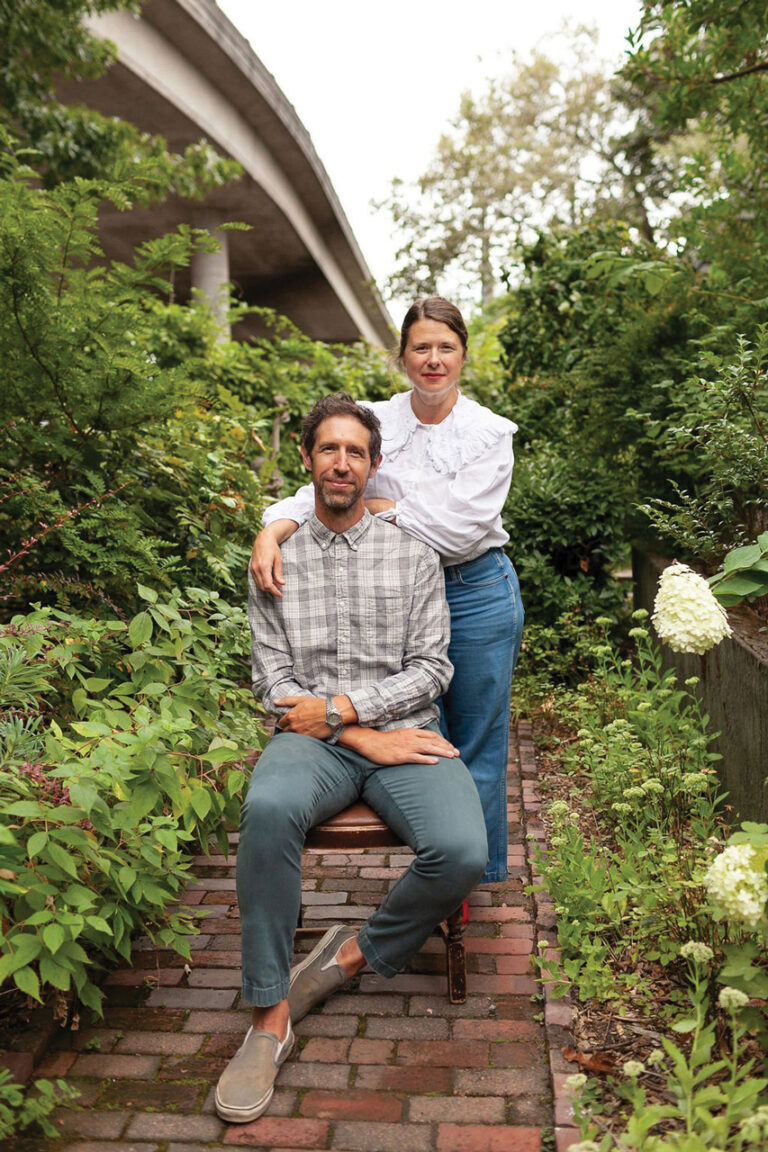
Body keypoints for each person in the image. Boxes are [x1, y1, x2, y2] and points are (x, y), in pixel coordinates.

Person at [215, 393, 487, 1124]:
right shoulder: (275, 559)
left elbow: (433, 669)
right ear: (307, 463)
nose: (342, 463)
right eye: (329, 450)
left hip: (407, 735)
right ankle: (270, 1014)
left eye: (356, 452)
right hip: (319, 744)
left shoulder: (414, 554)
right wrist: (357, 731)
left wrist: (347, 709)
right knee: (268, 809)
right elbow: (274, 685)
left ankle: (347, 958)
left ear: (372, 466)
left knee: (463, 851)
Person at [250, 297, 523, 884]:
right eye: (420, 347)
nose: (433, 359)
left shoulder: (489, 434)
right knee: (413, 722)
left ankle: (470, 883)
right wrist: (272, 529)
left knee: (474, 741)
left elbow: (461, 526)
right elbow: (322, 490)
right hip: (392, 584)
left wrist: (388, 511)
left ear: (463, 355)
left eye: (445, 347)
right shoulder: (376, 420)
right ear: (401, 356)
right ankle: (434, 854)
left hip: (474, 588)